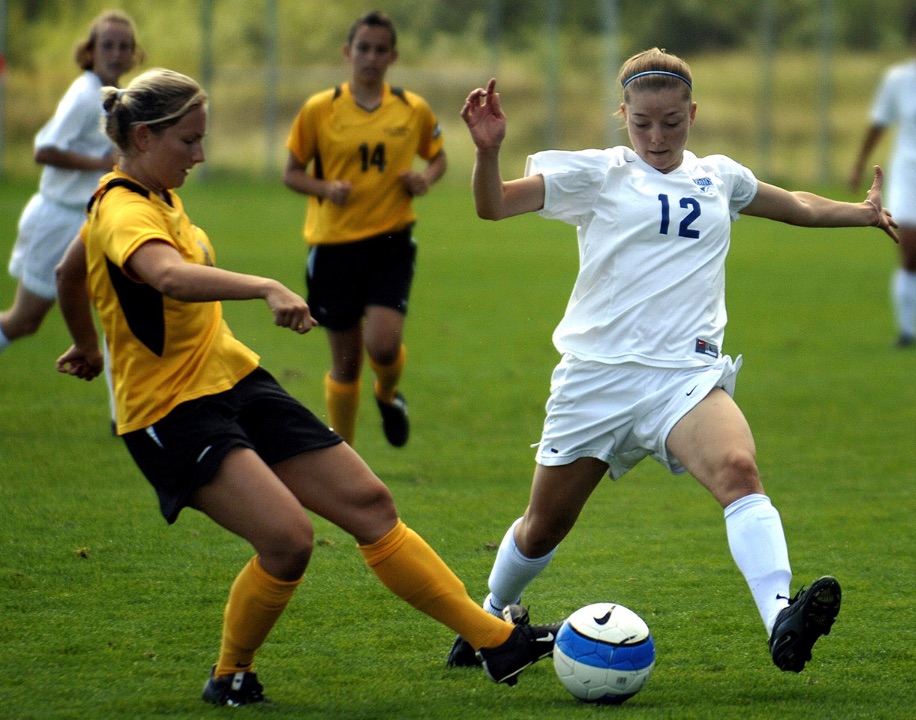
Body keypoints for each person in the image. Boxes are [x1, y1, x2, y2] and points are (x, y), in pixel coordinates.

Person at [54, 68, 556, 707]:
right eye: (189, 141)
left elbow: (70, 270)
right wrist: (265, 285)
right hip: (171, 410)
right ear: (146, 137)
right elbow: (168, 277)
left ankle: (495, 642)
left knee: (370, 504)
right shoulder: (123, 207)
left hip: (233, 380)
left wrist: (82, 341)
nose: (201, 154)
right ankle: (231, 673)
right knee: (288, 541)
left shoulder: (146, 196)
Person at [448, 49, 900, 675]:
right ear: (623, 117)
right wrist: (488, 150)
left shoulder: (720, 177)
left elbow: (793, 204)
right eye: (642, 123)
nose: (656, 137)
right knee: (543, 527)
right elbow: (492, 204)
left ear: (693, 114)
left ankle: (781, 617)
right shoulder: (597, 174)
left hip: (683, 379)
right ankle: (490, 616)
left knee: (739, 470)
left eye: (671, 121)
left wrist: (863, 213)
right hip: (597, 378)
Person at [283, 10, 447, 448]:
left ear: (392, 56)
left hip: (390, 240)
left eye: (380, 50)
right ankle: (346, 457)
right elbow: (291, 173)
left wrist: (423, 179)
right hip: (334, 245)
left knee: (385, 347)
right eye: (363, 48)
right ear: (347, 52)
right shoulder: (320, 109)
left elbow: (438, 157)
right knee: (347, 363)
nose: (371, 57)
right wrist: (323, 187)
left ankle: (388, 394)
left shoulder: (412, 109)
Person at [0, 10, 142, 355]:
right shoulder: (85, 94)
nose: (116, 53)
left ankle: (121, 409)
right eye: (107, 45)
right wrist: (98, 163)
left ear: (134, 54)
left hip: (93, 221)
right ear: (90, 51)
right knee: (23, 321)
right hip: (59, 218)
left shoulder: (115, 96)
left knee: (121, 317)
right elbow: (44, 150)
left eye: (124, 46)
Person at [848, 9, 916, 347]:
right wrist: (858, 165)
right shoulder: (898, 79)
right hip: (911, 171)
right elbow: (878, 123)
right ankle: (907, 331)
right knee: (909, 248)